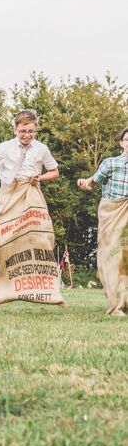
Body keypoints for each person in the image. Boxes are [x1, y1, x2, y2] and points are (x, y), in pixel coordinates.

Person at [0, 109, 62, 306]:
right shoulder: (5, 147)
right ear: (15, 129)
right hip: (9, 192)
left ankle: (44, 287)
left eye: (31, 131)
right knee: (3, 234)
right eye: (23, 131)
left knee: (39, 233)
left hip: (31, 191)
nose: (27, 135)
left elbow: (54, 171)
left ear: (36, 129)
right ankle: (6, 287)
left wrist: (40, 177)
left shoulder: (41, 148)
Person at [77, 125, 128, 316]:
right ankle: (116, 305)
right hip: (112, 214)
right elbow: (93, 181)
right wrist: (84, 183)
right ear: (121, 143)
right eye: (127, 140)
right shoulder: (111, 163)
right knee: (112, 256)